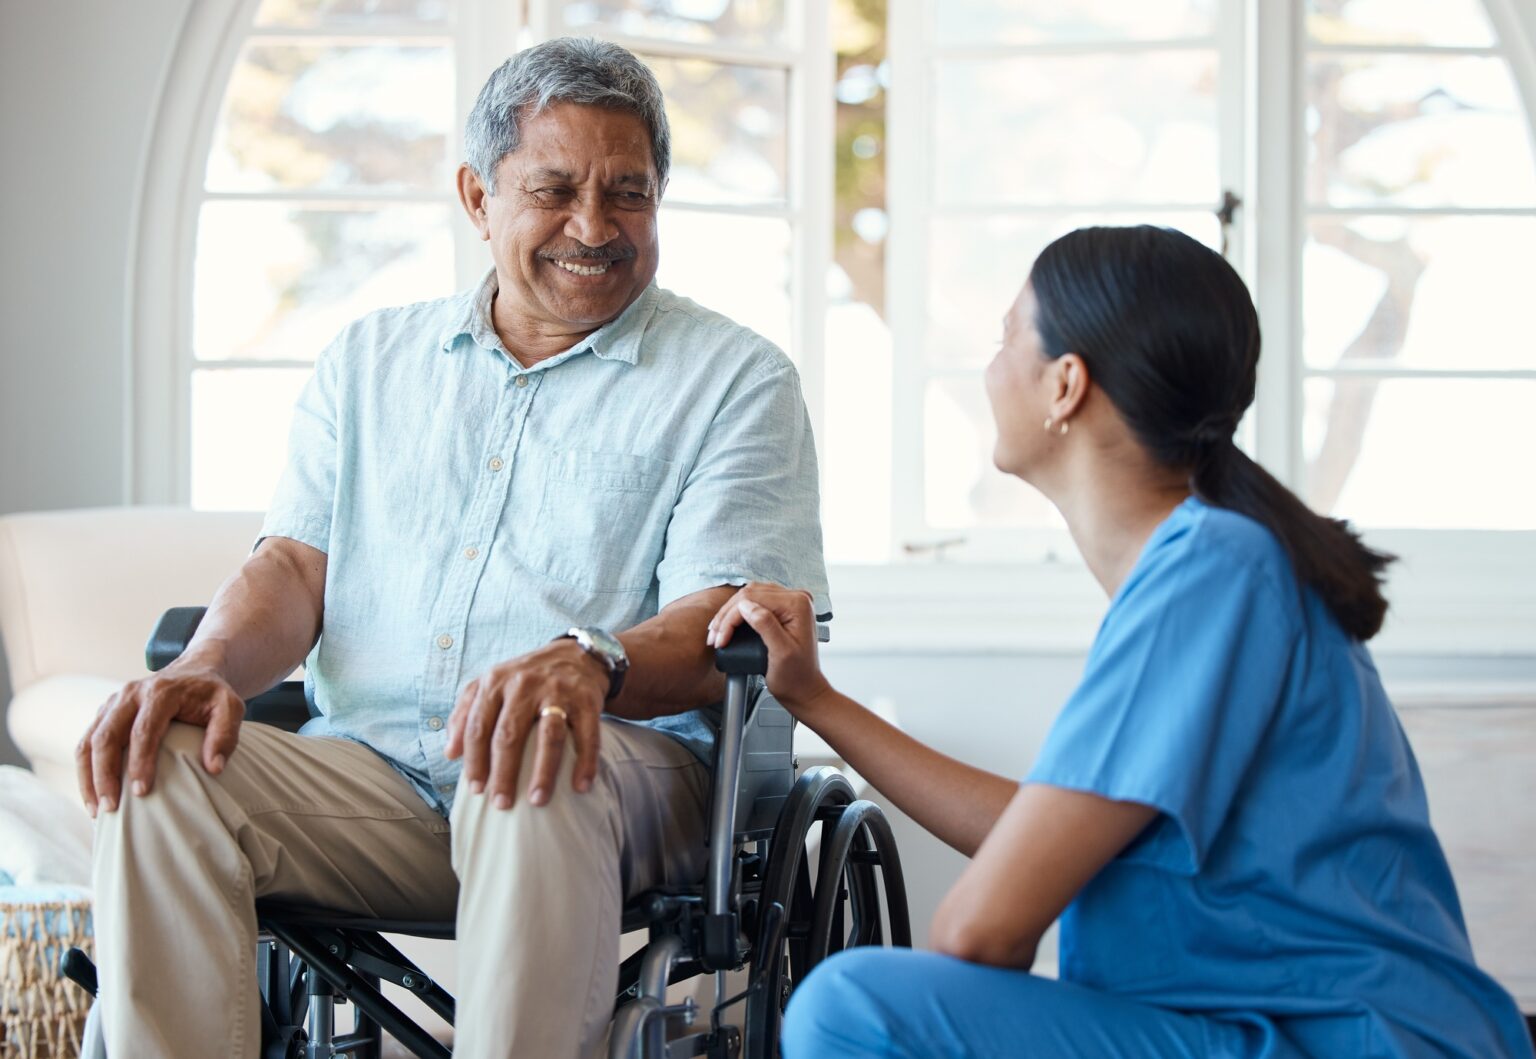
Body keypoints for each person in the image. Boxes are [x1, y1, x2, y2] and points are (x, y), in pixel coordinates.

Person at [77, 37, 828, 1058]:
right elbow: (294, 568)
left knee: (530, 752)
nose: (594, 227)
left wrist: (591, 661)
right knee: (164, 763)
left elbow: (725, 618)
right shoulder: (367, 363)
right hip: (377, 775)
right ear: (478, 198)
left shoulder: (735, 380)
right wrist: (209, 665)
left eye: (629, 194)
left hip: (616, 777)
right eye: (556, 189)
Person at [710, 226, 1534, 1058]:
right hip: (1289, 1033)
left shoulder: (1214, 571)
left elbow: (977, 931)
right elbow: (1033, 830)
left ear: (1066, 383)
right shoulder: (1211, 567)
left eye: (1005, 340)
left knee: (852, 1007)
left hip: (1350, 1043)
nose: (989, 369)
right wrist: (815, 700)